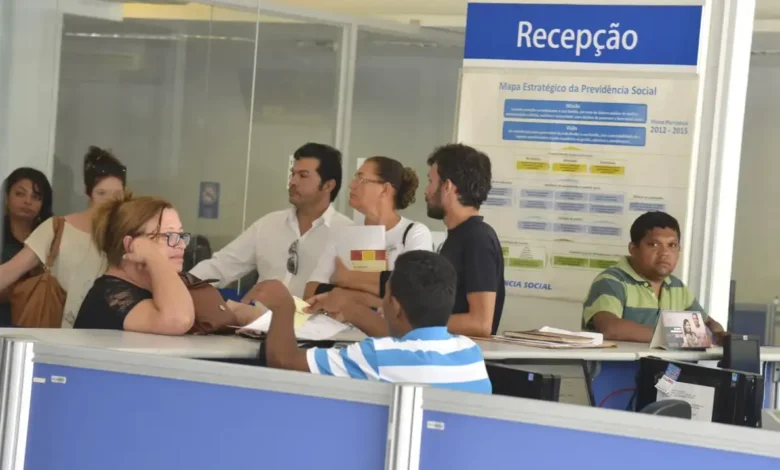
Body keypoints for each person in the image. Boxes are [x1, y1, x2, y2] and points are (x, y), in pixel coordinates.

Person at [323, 144, 505, 338]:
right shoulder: (456, 238)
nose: (426, 191)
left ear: (447, 187)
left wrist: (413, 323)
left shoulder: (477, 238)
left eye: (431, 181)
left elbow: (481, 323)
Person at [264, 250, 492, 393]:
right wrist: (349, 308)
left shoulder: (378, 355)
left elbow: (284, 360)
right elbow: (403, 344)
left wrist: (283, 305)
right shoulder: (470, 353)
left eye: (385, 297)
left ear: (394, 305)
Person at [190, 143, 352, 300]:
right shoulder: (269, 224)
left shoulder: (347, 233)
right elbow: (221, 266)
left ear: (328, 185)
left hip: (315, 326)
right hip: (257, 323)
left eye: (303, 175)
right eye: (292, 174)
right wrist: (182, 284)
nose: (292, 182)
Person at [0, 146, 126, 327]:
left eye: (117, 195)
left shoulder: (125, 237)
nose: (110, 201)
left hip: (103, 338)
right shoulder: (57, 227)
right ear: (87, 192)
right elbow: (10, 270)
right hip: (55, 336)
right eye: (101, 193)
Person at [303, 156, 432, 303]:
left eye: (361, 179)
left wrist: (346, 278)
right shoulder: (343, 234)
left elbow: (412, 292)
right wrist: (377, 291)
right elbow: (311, 291)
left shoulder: (414, 233)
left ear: (385, 189)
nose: (352, 185)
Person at [583, 211, 726, 343]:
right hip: (616, 370)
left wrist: (719, 334)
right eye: (654, 244)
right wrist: (678, 335)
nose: (665, 253)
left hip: (667, 369)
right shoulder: (612, 281)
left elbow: (708, 324)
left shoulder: (677, 287)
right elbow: (610, 328)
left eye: (672, 245)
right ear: (633, 249)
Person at [0, 168, 53, 325]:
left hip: (36, 318)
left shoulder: (50, 235)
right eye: (20, 194)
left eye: (36, 197)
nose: (28, 201)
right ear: (6, 197)